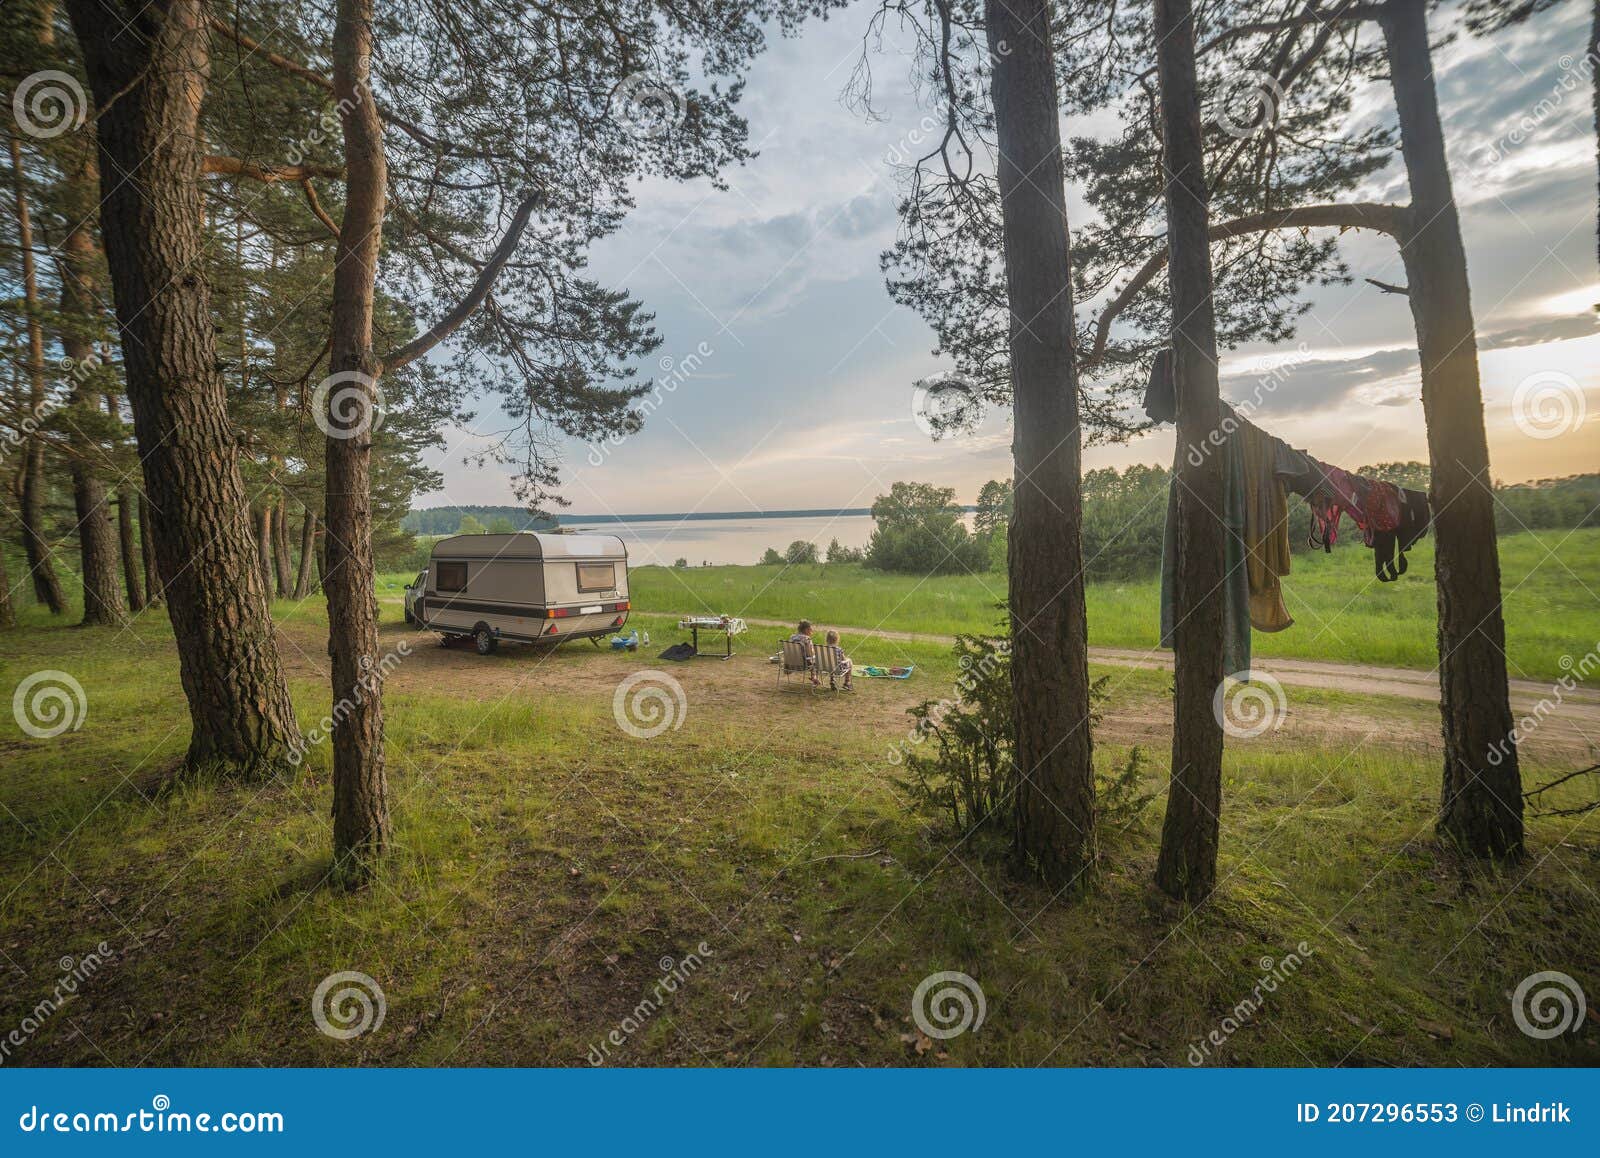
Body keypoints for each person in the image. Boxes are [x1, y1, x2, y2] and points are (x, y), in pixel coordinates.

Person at [789, 619, 819, 685]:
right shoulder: (807, 639)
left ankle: (814, 677)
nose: (812, 631)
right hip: (802, 665)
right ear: (806, 630)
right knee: (814, 660)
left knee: (809, 659)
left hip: (790, 663)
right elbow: (810, 654)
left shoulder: (792, 637)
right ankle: (814, 677)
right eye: (811, 629)